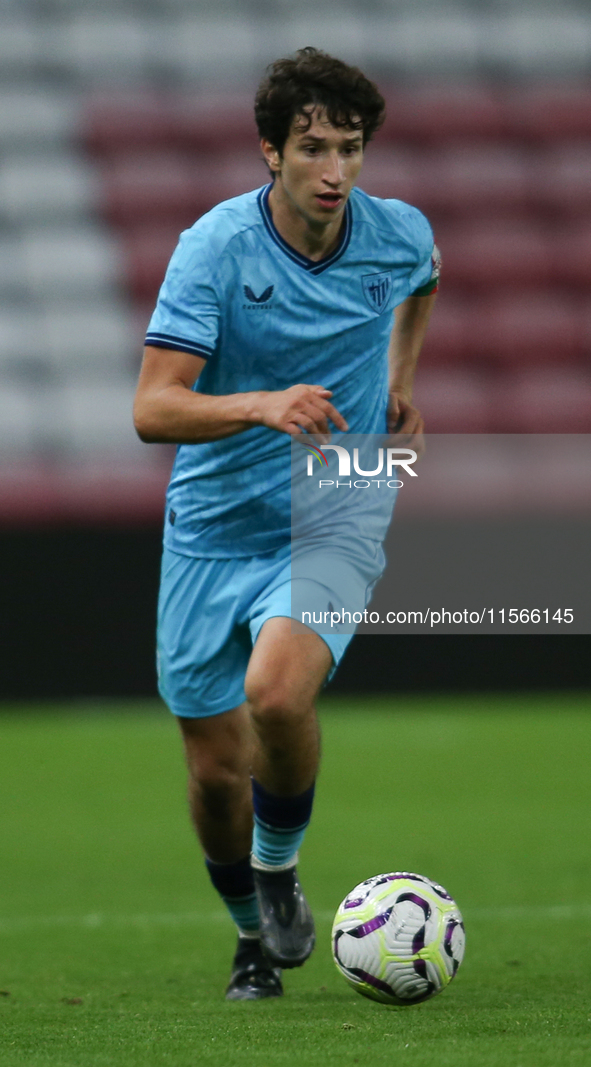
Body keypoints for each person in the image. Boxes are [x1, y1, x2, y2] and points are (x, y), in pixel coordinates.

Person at [133, 46, 439, 1001]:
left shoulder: (395, 235)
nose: (336, 171)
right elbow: (152, 409)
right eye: (314, 149)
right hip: (212, 526)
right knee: (216, 770)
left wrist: (398, 378)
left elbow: (422, 277)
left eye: (350, 149)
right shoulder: (214, 248)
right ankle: (248, 934)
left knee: (274, 693)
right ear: (270, 150)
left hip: (337, 503)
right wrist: (260, 403)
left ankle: (279, 869)